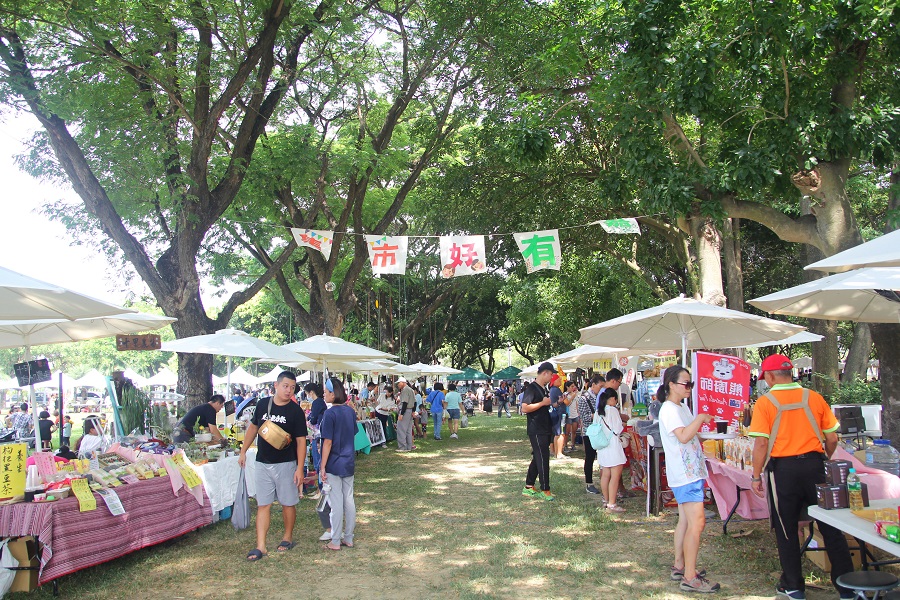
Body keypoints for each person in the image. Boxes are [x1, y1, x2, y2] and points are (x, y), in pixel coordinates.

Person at [749, 355, 852, 600]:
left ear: (771, 376)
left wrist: (755, 476)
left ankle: (794, 586)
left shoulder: (766, 402)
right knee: (831, 527)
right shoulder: (814, 397)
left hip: (783, 471)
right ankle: (847, 586)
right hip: (816, 467)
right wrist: (821, 458)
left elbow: (761, 443)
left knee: (787, 528)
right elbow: (833, 438)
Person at [657, 366, 719, 594]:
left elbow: (691, 433)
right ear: (671, 384)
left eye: (690, 384)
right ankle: (690, 577)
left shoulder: (681, 407)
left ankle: (680, 565)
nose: (689, 388)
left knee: (685, 521)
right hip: (686, 473)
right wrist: (701, 418)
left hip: (688, 471)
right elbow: (683, 436)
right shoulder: (669, 409)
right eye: (686, 384)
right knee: (697, 523)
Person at [239, 371, 308, 561]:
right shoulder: (262, 404)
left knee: (288, 502)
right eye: (285, 386)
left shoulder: (295, 411)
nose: (289, 390)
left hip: (286, 463)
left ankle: (287, 537)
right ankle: (260, 545)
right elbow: (253, 428)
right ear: (276, 386)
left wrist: (299, 468)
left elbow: (301, 441)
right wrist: (243, 450)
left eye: (292, 387)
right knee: (263, 504)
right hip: (263, 462)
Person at [318, 377, 357, 551]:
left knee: (336, 502)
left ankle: (335, 539)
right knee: (348, 500)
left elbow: (327, 442)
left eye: (325, 392)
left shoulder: (330, 414)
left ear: (333, 394)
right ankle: (348, 537)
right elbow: (353, 433)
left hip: (334, 462)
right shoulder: (349, 411)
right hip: (348, 461)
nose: (323, 395)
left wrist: (322, 466)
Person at [522, 362, 555, 501]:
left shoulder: (543, 388)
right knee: (543, 458)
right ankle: (545, 489)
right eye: (551, 374)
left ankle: (529, 485)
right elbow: (524, 408)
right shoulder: (531, 388)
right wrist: (542, 403)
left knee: (537, 457)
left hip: (545, 427)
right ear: (545, 373)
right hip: (536, 429)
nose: (552, 377)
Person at [597, 370, 627, 512]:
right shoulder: (613, 411)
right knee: (615, 476)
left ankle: (606, 499)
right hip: (613, 446)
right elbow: (619, 429)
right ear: (613, 399)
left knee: (605, 474)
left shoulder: (599, 411)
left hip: (602, 446)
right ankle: (612, 504)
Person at [577, 374, 605, 494]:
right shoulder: (583, 398)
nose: (602, 389)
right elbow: (583, 418)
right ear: (593, 385)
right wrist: (594, 416)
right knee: (590, 457)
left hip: (601, 431)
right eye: (600, 386)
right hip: (589, 432)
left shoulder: (601, 396)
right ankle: (589, 483)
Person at [305, 382, 326, 492]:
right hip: (319, 433)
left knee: (318, 461)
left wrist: (308, 419)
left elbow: (313, 419)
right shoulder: (320, 402)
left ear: (311, 392)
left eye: (307, 394)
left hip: (318, 434)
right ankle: (319, 488)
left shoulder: (317, 403)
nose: (307, 396)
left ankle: (320, 488)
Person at [395, 377, 417, 451]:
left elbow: (405, 403)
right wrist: (413, 411)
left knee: (401, 429)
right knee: (408, 430)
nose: (398, 384)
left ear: (403, 382)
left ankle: (402, 447)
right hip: (410, 411)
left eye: (399, 383)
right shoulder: (411, 390)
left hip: (405, 411)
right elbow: (415, 402)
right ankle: (409, 446)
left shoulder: (405, 390)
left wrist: (401, 414)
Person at [549, 374, 566, 459]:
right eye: (559, 380)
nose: (560, 381)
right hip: (559, 414)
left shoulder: (553, 390)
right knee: (559, 433)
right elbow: (556, 403)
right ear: (554, 381)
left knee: (558, 433)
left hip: (557, 413)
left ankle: (557, 452)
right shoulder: (555, 390)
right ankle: (558, 453)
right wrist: (561, 401)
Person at [562, 380, 579, 453]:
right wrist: (572, 397)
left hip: (575, 415)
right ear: (567, 387)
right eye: (571, 386)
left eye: (574, 386)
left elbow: (576, 404)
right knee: (567, 432)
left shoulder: (575, 394)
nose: (573, 388)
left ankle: (573, 445)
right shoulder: (565, 395)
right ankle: (565, 445)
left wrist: (578, 412)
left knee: (574, 431)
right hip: (568, 415)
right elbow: (567, 404)